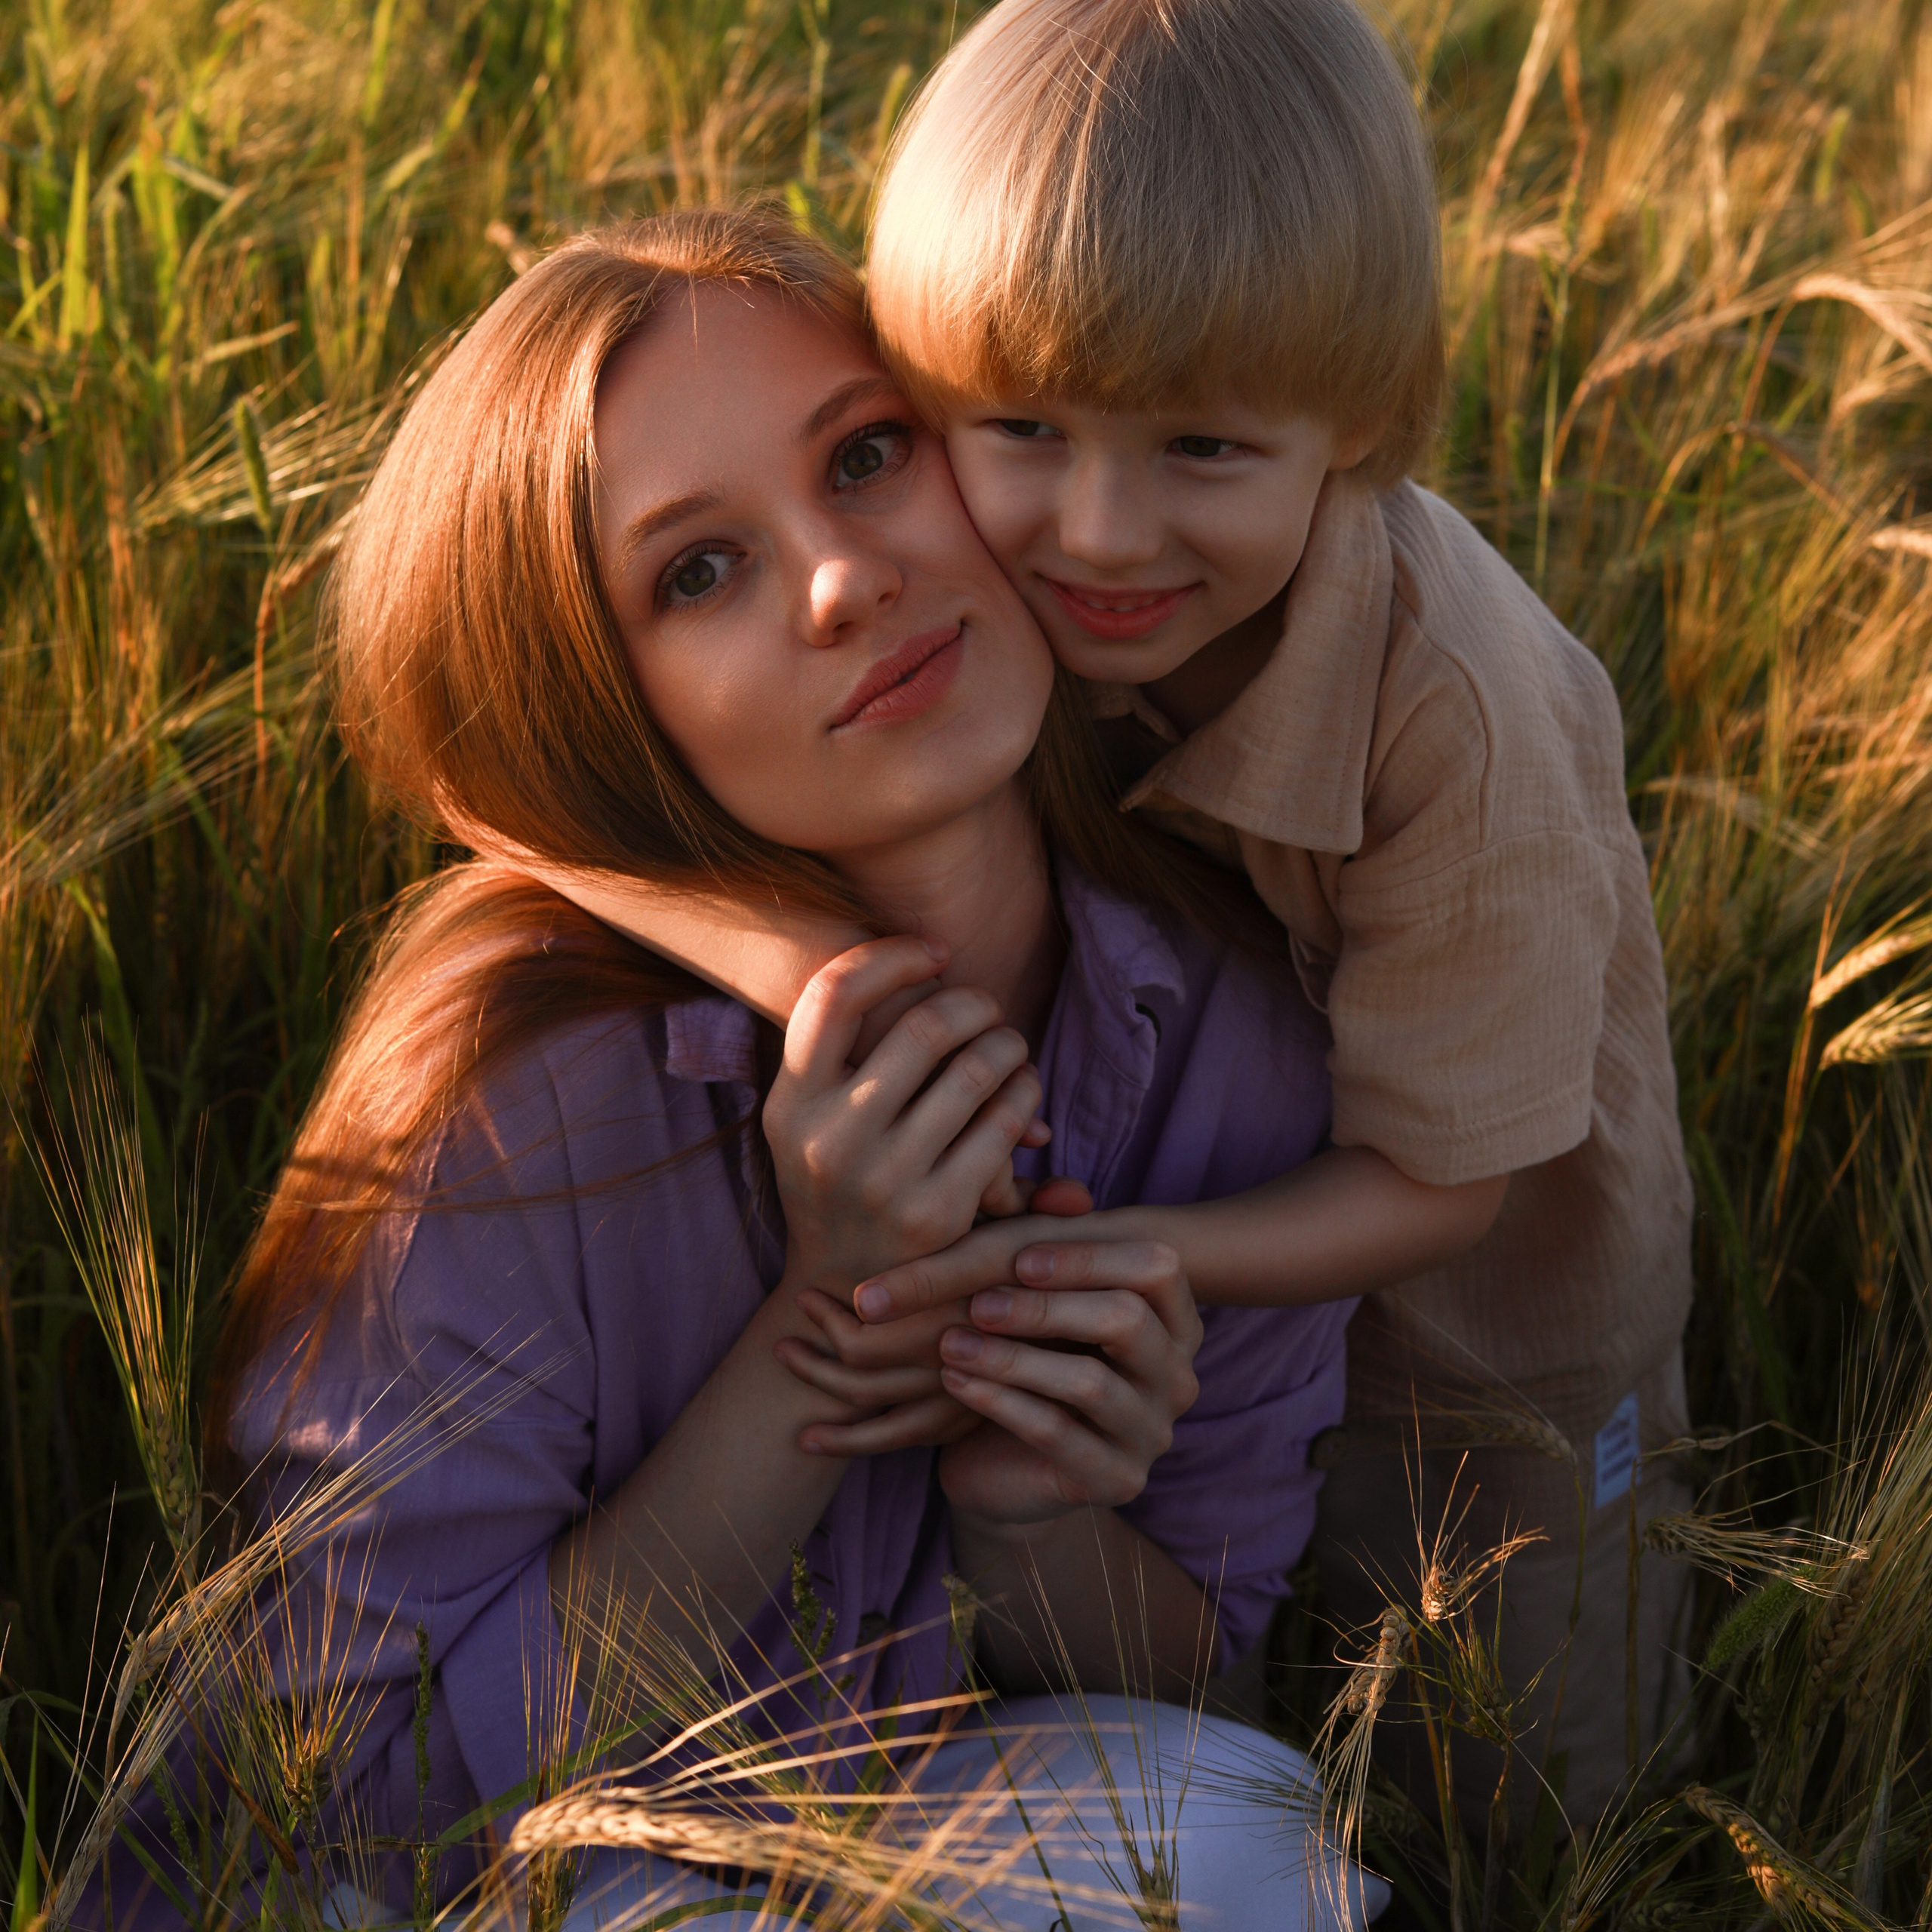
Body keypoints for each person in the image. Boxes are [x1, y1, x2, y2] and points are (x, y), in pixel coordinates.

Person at [74, 213, 1380, 1931]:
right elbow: (353, 1804)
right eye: (699, 570)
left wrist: (1036, 1513)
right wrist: (818, 1342)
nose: (844, 578)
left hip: (888, 1813)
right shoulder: (506, 1098)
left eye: (864, 455)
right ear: (605, 710)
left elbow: (1193, 1688)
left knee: (1250, 1841)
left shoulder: (1229, 1033)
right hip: (486, 1883)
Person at [509, 0, 1697, 1826]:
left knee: (1513, 1732)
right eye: (1018, 425)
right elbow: (507, 792)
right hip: (1206, 1266)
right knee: (1274, 1690)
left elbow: (1438, 1184)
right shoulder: (982, 579)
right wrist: (802, 958)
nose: (1097, 534)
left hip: (1487, 1328)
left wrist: (1073, 1257)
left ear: (1358, 429)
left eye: (1201, 452)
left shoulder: (1458, 713)